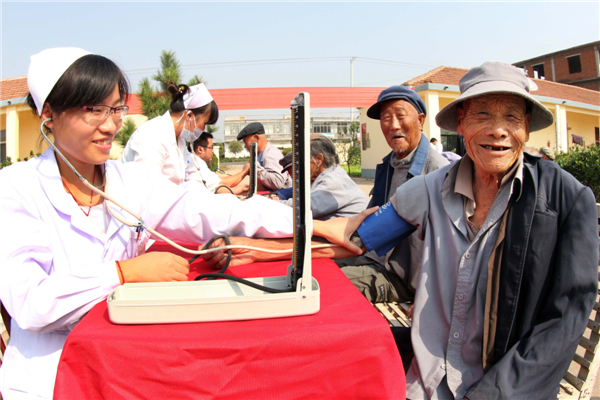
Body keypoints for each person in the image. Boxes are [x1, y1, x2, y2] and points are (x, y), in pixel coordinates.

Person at [0, 47, 354, 400]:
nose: (110, 125)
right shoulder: (15, 188)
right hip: (52, 376)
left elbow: (207, 209)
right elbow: (32, 302)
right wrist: (124, 273)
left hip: (120, 362)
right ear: (49, 113)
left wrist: (311, 224)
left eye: (116, 109)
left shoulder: (128, 182)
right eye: (94, 110)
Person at [351, 62, 598, 399]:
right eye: (483, 115)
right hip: (423, 381)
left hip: (506, 387)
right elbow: (364, 236)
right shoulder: (429, 189)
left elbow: (563, 322)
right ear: (462, 123)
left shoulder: (566, 201)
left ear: (526, 127)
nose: (498, 130)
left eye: (511, 117)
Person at [338, 85, 448, 304]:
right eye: (386, 118)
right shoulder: (388, 164)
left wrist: (431, 299)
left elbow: (448, 248)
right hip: (371, 256)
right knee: (317, 270)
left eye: (400, 115)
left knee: (330, 285)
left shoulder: (437, 173)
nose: (393, 125)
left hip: (399, 277)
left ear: (421, 120)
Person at [121, 81, 218, 186]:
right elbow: (148, 187)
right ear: (189, 116)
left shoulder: (179, 141)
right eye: (204, 123)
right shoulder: (153, 135)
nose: (204, 129)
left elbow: (198, 176)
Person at [277, 135, 369, 220]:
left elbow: (303, 207)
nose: (296, 170)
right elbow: (298, 192)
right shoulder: (319, 177)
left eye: (301, 161)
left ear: (319, 159)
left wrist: (268, 205)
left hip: (354, 234)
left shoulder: (333, 180)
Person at [237, 122, 292, 191]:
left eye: (246, 142)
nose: (245, 146)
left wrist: (254, 167)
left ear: (256, 138)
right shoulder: (258, 155)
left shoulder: (271, 153)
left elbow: (278, 182)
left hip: (280, 200)